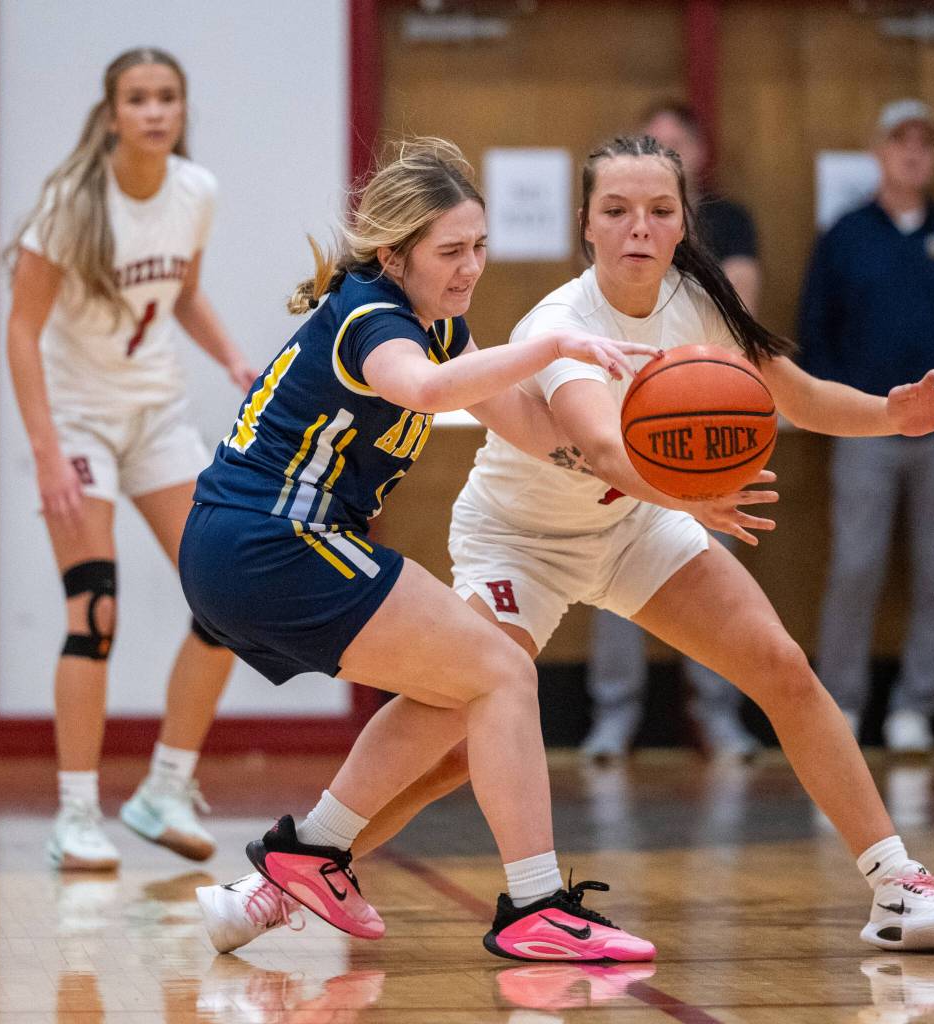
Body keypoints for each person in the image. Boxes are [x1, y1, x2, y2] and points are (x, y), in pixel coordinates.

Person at [263, 133, 934, 957]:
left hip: (634, 528)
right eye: (617, 211)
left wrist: (892, 414)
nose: (639, 226)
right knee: (457, 729)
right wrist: (694, 494)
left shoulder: (702, 304)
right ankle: (289, 869)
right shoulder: (564, 322)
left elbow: (800, 396)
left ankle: (896, 884)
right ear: (586, 227)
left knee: (781, 667)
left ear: (681, 227)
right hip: (521, 540)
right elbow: (601, 451)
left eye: (659, 211)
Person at [183, 138, 664, 962]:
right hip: (268, 538)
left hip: (259, 546)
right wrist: (554, 343)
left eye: (479, 248)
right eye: (450, 251)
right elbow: (428, 392)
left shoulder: (440, 328)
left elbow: (532, 430)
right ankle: (538, 905)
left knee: (461, 686)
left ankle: (312, 852)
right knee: (503, 670)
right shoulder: (372, 316)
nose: (470, 267)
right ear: (392, 253)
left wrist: (660, 477)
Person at [5, 48, 258, 871]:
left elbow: (181, 292)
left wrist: (233, 360)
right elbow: (21, 329)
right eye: (138, 99)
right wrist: (46, 452)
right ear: (112, 113)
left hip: (157, 419)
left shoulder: (196, 192)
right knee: (96, 610)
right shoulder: (72, 202)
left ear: (182, 110)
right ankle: (76, 813)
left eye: (167, 98)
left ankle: (165, 788)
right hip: (78, 425)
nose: (154, 112)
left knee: (223, 598)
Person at [798, 99, 934, 753]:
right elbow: (814, 329)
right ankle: (842, 707)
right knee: (856, 566)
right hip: (866, 431)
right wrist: (837, 404)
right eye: (900, 141)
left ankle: (916, 708)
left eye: (925, 142)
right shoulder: (845, 235)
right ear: (879, 151)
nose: (913, 152)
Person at [583, 99, 763, 761]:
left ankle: (719, 718)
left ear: (698, 159)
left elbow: (741, 308)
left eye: (673, 148)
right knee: (616, 571)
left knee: (714, 581)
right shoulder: (619, 232)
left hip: (709, 423)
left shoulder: (727, 221)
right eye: (650, 148)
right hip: (628, 424)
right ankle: (613, 718)